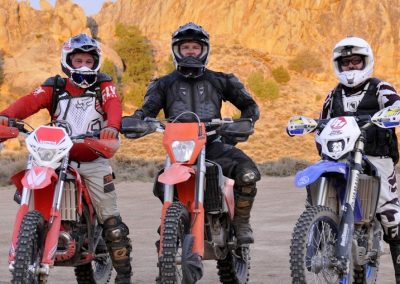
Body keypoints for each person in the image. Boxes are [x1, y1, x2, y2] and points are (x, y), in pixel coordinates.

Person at [0, 33, 132, 283]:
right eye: (78, 60)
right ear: (67, 60)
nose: (83, 65)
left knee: (111, 221)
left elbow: (113, 105)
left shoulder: (103, 85)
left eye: (88, 61)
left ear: (96, 63)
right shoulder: (55, 86)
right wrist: (6, 116)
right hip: (56, 157)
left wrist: (112, 127)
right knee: (30, 184)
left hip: (92, 156)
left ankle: (124, 275)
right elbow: (28, 102)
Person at [130, 22, 261, 245]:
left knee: (247, 173)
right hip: (180, 150)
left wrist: (242, 123)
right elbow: (146, 110)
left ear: (204, 50)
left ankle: (241, 221)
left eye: (195, 47)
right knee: (162, 184)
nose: (190, 51)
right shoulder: (164, 83)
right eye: (186, 47)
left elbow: (250, 106)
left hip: (213, 144)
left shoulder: (220, 80)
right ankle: (174, 222)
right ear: (176, 50)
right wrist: (137, 121)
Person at [320, 36, 400, 283]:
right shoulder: (333, 96)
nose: (351, 66)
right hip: (342, 157)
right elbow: (322, 122)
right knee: (321, 178)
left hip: (376, 156)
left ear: (366, 61)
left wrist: (390, 115)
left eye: (356, 61)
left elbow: (396, 106)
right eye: (346, 63)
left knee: (390, 215)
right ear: (339, 65)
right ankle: (319, 222)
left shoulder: (380, 88)